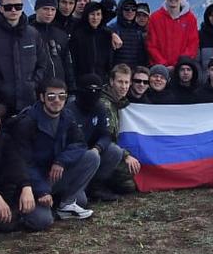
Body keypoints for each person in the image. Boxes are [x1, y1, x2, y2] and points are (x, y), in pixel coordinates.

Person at [9, 79, 100, 220]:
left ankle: (65, 204)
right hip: (31, 182)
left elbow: (80, 144)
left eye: (62, 96)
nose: (57, 100)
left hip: (54, 174)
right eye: (51, 96)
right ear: (42, 97)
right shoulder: (27, 123)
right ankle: (38, 205)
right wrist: (42, 191)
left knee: (92, 157)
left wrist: (61, 161)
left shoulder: (67, 116)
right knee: (42, 220)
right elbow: (25, 163)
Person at [0, 100, 51, 233]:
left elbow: (16, 162)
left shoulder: (4, 139)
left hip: (6, 191)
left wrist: (26, 186)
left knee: (41, 219)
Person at [0, 0, 51, 119]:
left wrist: (33, 84)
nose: (13, 10)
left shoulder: (32, 33)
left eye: (18, 6)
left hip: (28, 102)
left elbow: (42, 62)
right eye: (8, 7)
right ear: (0, 9)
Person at [64, 74, 125, 203]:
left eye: (96, 92)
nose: (92, 96)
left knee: (115, 151)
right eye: (89, 91)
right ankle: (73, 188)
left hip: (92, 150)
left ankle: (95, 187)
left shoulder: (100, 107)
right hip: (72, 156)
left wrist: (98, 148)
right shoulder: (69, 110)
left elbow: (106, 134)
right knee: (81, 201)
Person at [97, 65, 142, 198]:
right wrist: (126, 155)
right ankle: (96, 186)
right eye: (120, 82)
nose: (124, 86)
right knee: (128, 184)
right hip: (102, 152)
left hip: (112, 151)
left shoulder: (119, 102)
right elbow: (106, 137)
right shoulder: (105, 104)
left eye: (127, 82)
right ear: (111, 82)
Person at [146, 0, 199, 67]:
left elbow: (192, 45)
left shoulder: (191, 19)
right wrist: (164, 64)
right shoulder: (154, 18)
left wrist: (179, 64)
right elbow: (152, 45)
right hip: (160, 68)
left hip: (182, 67)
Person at [31, 0, 74, 84]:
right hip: (36, 87)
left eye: (53, 9)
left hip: (59, 88)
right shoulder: (27, 33)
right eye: (45, 9)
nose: (49, 13)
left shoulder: (61, 34)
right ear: (36, 9)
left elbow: (67, 64)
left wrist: (71, 89)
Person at [69, 1, 115, 82]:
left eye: (98, 14)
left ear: (102, 16)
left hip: (102, 80)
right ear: (87, 15)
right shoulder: (78, 35)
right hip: (81, 80)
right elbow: (74, 60)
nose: (95, 18)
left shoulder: (106, 35)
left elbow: (109, 60)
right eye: (92, 14)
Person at [112, 0, 148, 70]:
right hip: (117, 73)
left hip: (135, 74)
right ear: (120, 10)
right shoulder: (113, 29)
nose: (130, 11)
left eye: (133, 9)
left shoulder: (139, 31)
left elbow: (142, 57)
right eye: (127, 9)